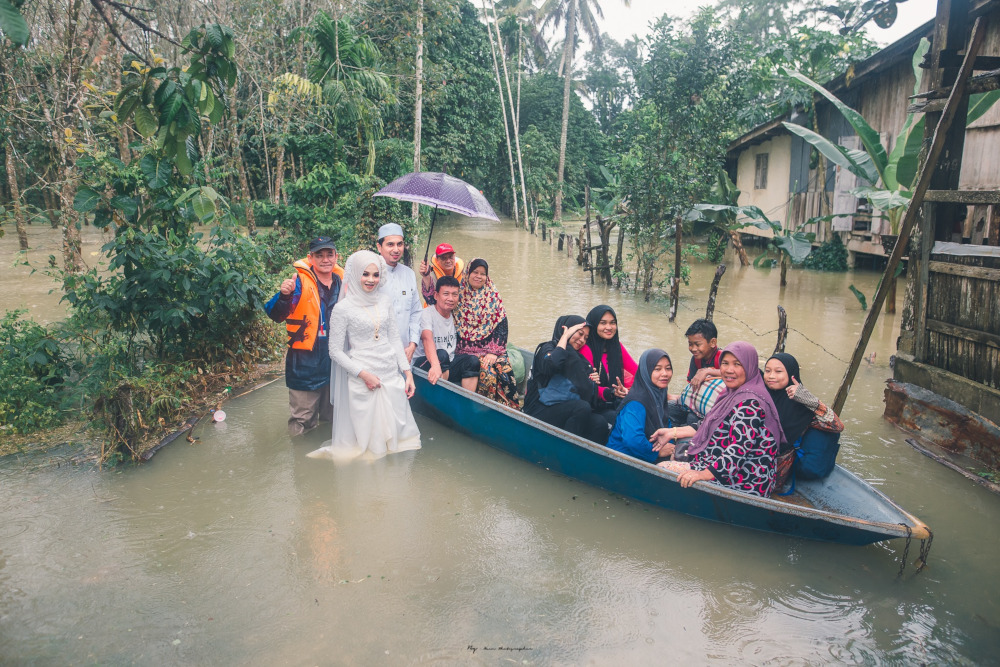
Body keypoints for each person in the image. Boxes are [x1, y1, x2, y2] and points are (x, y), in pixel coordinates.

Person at [307, 250, 421, 461]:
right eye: (365, 274)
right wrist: (363, 375)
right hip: (363, 377)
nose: (371, 280)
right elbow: (335, 351)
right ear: (356, 274)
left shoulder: (385, 301)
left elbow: (395, 339)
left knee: (399, 442)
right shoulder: (343, 308)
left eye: (376, 275)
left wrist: (407, 372)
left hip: (391, 374)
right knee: (369, 447)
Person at [656, 342, 785, 498]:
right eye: (725, 363)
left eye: (737, 364)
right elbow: (707, 424)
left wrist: (702, 475)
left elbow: (737, 451)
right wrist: (672, 432)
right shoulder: (733, 392)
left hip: (746, 478)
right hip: (727, 465)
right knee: (680, 448)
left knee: (662, 467)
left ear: (749, 366)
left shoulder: (750, 404)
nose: (729, 370)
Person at [264, 236, 345, 436]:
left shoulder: (343, 282)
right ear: (310, 258)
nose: (325, 260)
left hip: (335, 359)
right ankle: (301, 462)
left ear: (336, 256)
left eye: (329, 254)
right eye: (319, 255)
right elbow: (275, 314)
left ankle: (328, 461)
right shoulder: (298, 282)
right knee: (303, 420)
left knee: (334, 416)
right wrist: (285, 296)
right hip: (304, 361)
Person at [523, 316, 610, 443]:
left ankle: (584, 458)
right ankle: (564, 450)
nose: (582, 340)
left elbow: (589, 391)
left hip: (562, 407)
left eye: (585, 338)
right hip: (537, 408)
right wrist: (565, 337)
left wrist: (591, 380)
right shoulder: (548, 348)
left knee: (600, 423)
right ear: (565, 330)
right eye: (579, 334)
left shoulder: (578, 359)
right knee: (582, 408)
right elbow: (551, 364)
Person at [764, 353, 844, 487]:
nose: (771, 376)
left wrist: (808, 398)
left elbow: (837, 426)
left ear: (791, 375)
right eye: (767, 371)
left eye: (778, 371)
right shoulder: (760, 394)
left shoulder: (801, 404)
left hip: (777, 467)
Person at [453, 258, 519, 408]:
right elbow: (436, 300)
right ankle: (483, 410)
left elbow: (502, 326)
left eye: (483, 274)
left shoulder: (493, 295)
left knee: (505, 370)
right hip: (466, 350)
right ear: (468, 273)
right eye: (475, 272)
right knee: (488, 373)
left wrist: (493, 352)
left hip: (491, 348)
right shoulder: (458, 294)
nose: (478, 276)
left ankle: (511, 408)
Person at [605, 349, 684, 464]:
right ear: (646, 371)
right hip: (623, 458)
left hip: (649, 450)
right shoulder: (636, 402)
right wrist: (657, 452)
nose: (665, 373)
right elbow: (633, 440)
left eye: (668, 368)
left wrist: (670, 444)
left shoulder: (659, 392)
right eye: (657, 369)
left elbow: (666, 423)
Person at [412, 276, 481, 386]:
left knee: (472, 361)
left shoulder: (457, 315)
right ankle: (439, 398)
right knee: (442, 355)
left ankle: (467, 401)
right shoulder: (427, 314)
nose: (451, 298)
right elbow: (427, 339)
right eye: (446, 294)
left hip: (448, 363)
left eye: (454, 294)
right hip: (426, 364)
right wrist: (435, 365)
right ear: (436, 295)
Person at [376, 223, 423, 362]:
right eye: (390, 244)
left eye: (400, 244)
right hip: (378, 352)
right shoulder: (370, 274)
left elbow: (416, 312)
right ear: (379, 247)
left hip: (406, 352)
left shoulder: (409, 274)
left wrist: (413, 343)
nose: (396, 249)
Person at [669, 318, 726, 428]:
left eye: (697, 344)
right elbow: (692, 386)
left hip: (718, 409)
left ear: (713, 342)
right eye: (690, 344)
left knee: (691, 418)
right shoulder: (696, 359)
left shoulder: (723, 357)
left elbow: (736, 374)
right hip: (699, 404)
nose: (693, 349)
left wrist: (708, 371)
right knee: (669, 407)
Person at [579, 305, 638, 408]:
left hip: (615, 399)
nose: (609, 327)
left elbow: (637, 370)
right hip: (594, 404)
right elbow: (588, 385)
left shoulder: (616, 346)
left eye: (612, 322)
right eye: (603, 323)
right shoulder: (585, 349)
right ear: (594, 324)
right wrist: (612, 393)